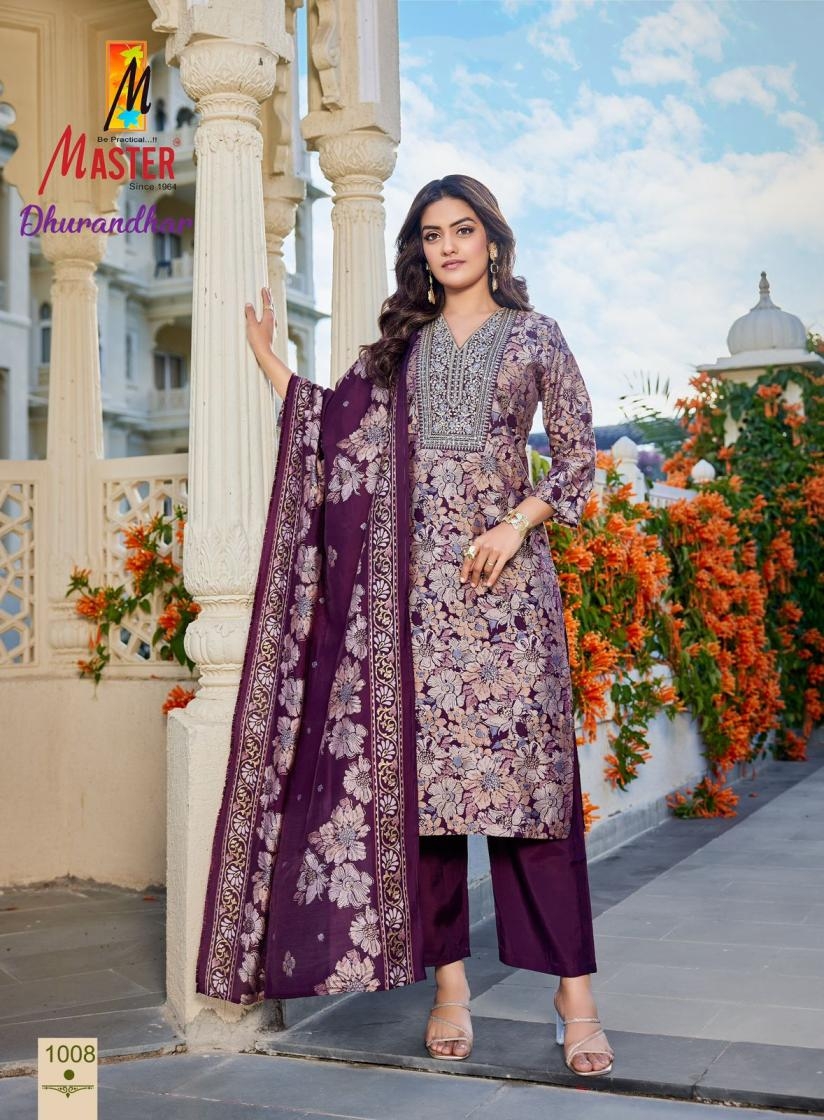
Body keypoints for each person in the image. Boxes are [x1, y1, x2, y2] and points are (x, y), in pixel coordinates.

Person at [197, 174, 612, 1078]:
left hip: (509, 605)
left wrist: (515, 525)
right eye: (431, 234)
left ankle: (575, 998)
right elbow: (337, 431)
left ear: (492, 241)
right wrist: (272, 364)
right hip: (412, 609)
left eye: (463, 230)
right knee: (427, 812)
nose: (447, 246)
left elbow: (580, 459)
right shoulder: (404, 350)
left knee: (535, 804)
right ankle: (450, 991)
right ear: (420, 251)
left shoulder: (537, 337)